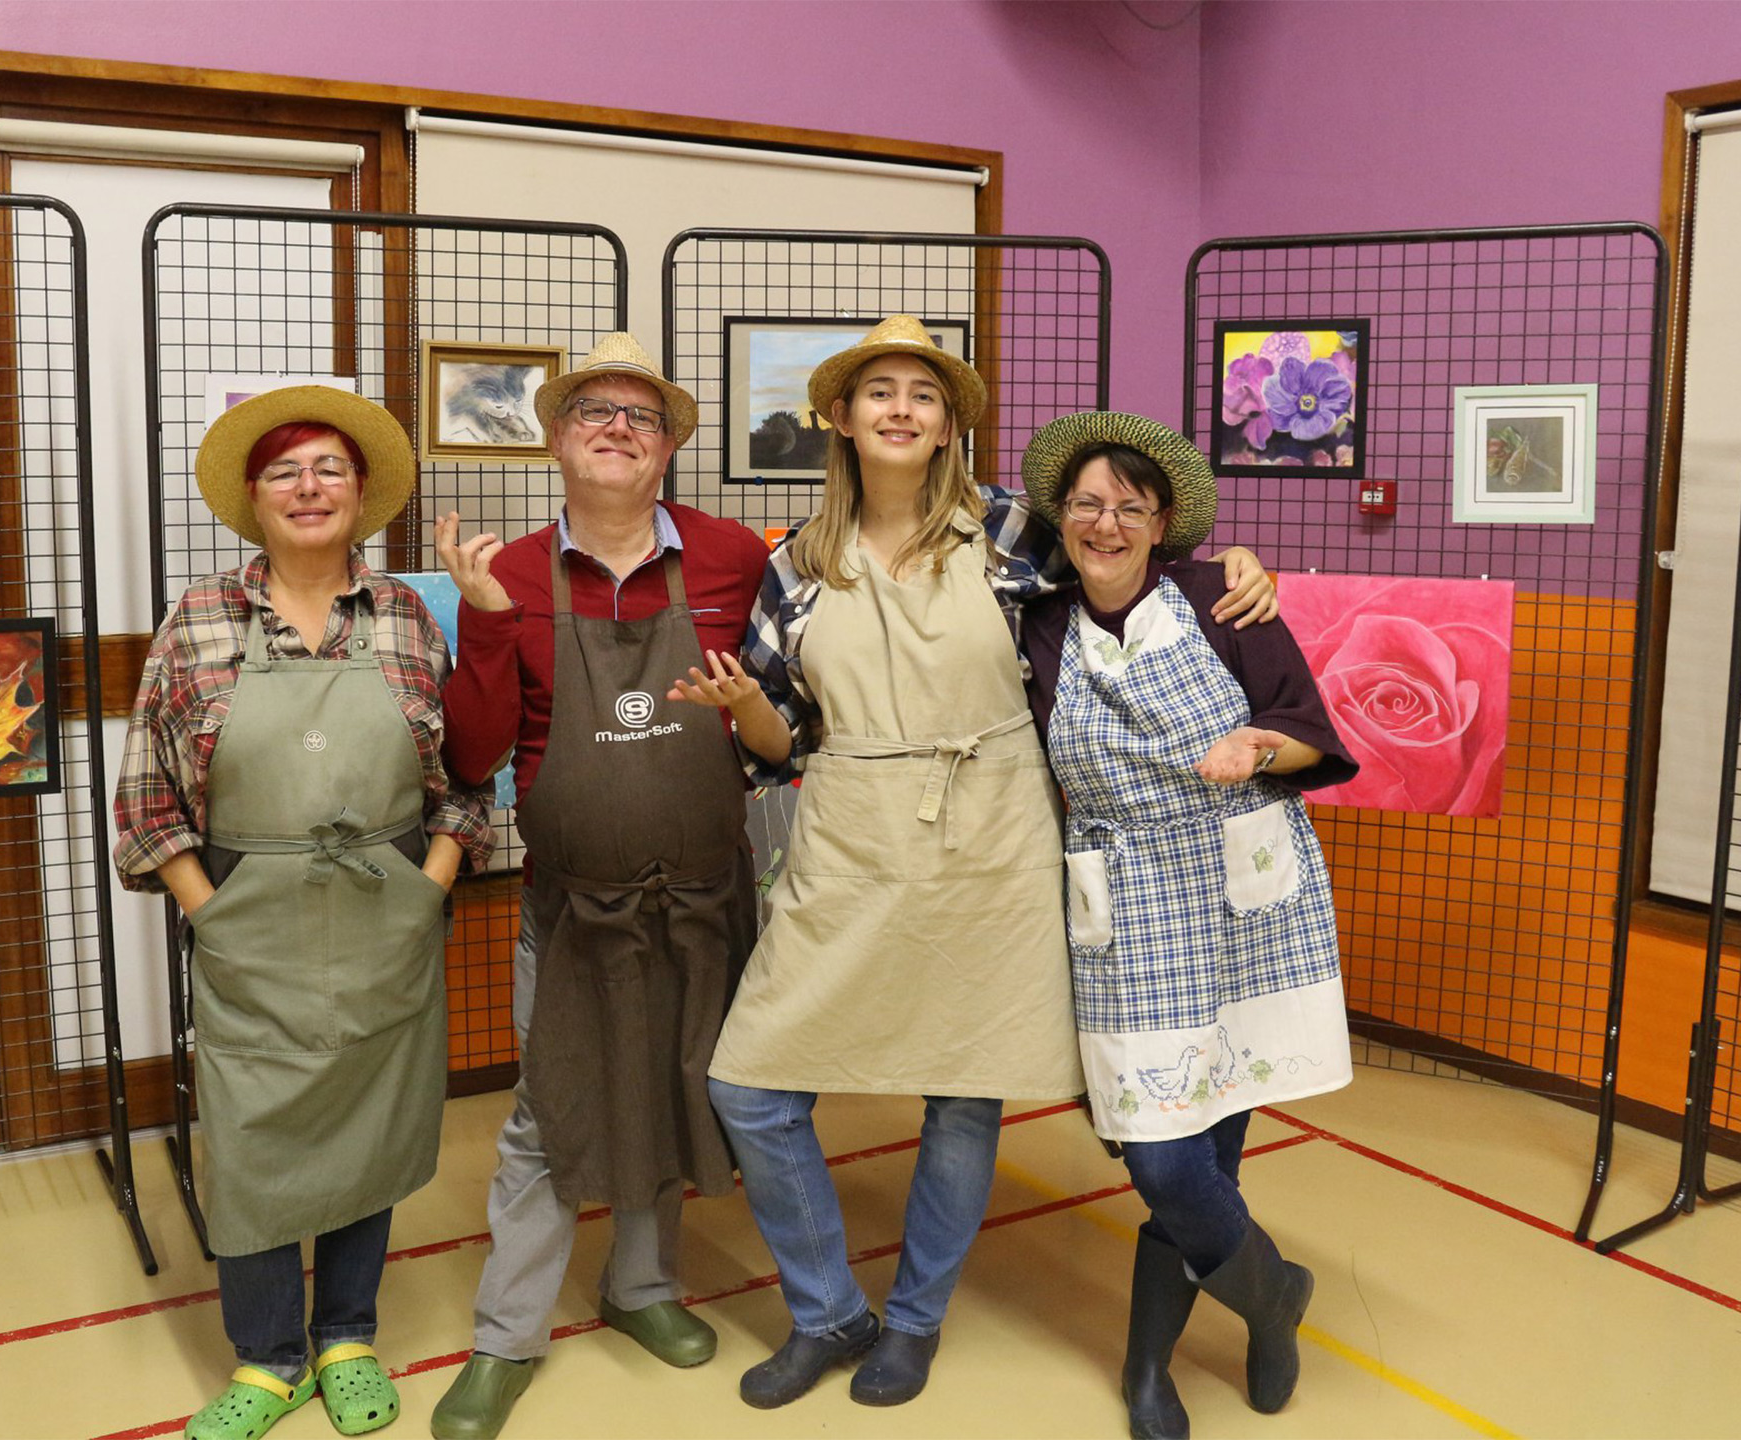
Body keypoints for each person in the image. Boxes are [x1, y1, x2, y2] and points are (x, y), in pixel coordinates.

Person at [669, 316, 1277, 1411]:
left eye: (924, 394)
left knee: (964, 1092)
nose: (900, 409)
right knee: (748, 1084)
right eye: (879, 392)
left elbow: (1132, 573)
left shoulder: (1010, 534)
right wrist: (749, 705)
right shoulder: (794, 565)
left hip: (994, 834)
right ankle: (826, 1311)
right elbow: (780, 744)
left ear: (950, 424)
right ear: (841, 417)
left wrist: (1234, 562)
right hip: (850, 837)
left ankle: (912, 1323)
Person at [114, 387, 494, 1440]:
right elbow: (147, 797)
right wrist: (214, 914)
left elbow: (466, 777)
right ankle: (269, 1357)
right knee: (252, 1140)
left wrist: (430, 887)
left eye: (330, 468)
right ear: (254, 497)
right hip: (251, 926)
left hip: (388, 918)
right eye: (285, 470)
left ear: (362, 493)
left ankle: (347, 1337)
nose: (309, 487)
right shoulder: (199, 620)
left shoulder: (407, 616)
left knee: (370, 1122)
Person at [431, 334, 771, 1440]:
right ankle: (505, 1338)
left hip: (706, 900)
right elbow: (473, 753)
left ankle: (642, 1288)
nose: (618, 428)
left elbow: (783, 706)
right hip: (570, 908)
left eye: (642, 415)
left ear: (668, 447)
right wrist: (486, 622)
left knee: (672, 1086)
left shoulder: (732, 558)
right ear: (555, 439)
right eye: (593, 411)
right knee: (548, 1113)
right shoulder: (511, 574)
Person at [1015, 411, 1357, 1440]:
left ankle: (1148, 1373)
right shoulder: (1036, 624)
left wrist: (1258, 748)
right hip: (1126, 910)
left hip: (1243, 894)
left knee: (1209, 1154)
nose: (1107, 523)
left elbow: (1311, 735)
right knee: (1160, 1157)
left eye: (1130, 506)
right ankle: (1274, 1295)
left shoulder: (1222, 599)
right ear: (1061, 519)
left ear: (1163, 522)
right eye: (1087, 504)